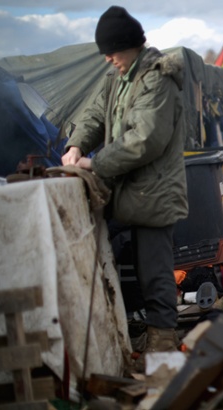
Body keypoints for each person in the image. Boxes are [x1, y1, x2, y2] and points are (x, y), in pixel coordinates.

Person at [61, 6, 189, 369]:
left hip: (154, 194)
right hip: (128, 191)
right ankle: (129, 338)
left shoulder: (157, 80)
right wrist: (76, 145)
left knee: (155, 275)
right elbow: (95, 113)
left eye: (112, 51)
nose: (108, 58)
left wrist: (94, 163)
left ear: (131, 47)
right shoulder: (119, 77)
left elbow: (145, 139)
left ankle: (163, 352)